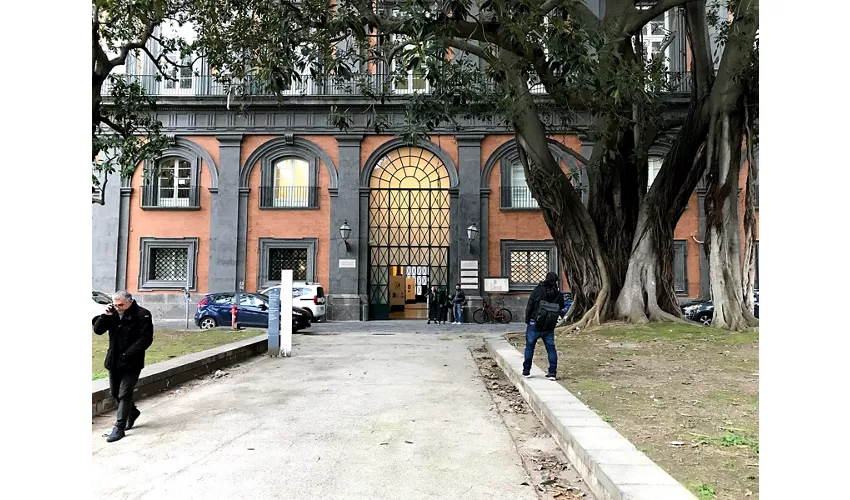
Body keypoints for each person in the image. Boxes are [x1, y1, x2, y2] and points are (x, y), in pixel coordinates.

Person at [92, 291, 154, 442]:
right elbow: (98, 330)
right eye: (116, 304)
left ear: (130, 302)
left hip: (132, 361)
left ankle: (119, 427)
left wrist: (129, 354)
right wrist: (105, 315)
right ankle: (132, 412)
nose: (118, 308)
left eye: (121, 305)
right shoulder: (112, 313)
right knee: (114, 392)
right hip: (114, 360)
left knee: (124, 393)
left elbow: (146, 338)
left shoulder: (142, 314)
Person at [523, 272, 564, 380]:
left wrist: (528, 319)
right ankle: (552, 373)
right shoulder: (558, 294)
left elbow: (530, 305)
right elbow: (561, 307)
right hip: (549, 325)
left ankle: (526, 371)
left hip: (535, 323)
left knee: (529, 347)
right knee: (551, 349)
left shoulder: (537, 291)